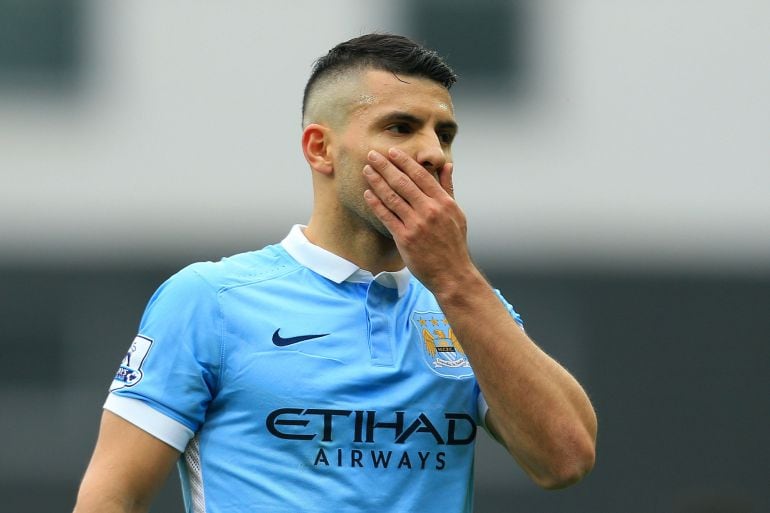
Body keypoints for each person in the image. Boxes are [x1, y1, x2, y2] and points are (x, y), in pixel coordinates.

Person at [72, 33, 597, 513]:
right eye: (401, 127)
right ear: (320, 148)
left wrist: (455, 278)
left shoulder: (466, 305)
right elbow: (112, 496)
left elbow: (566, 460)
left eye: (446, 133)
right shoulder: (210, 299)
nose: (433, 152)